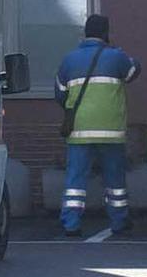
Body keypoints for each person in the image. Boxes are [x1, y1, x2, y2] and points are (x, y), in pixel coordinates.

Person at [55, 14, 141, 238]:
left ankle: (71, 223)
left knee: (75, 180)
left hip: (79, 130)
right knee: (115, 181)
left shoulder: (69, 60)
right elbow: (133, 72)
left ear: (85, 33)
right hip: (111, 131)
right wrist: (129, 57)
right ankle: (119, 221)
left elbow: (60, 94)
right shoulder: (116, 57)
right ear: (106, 33)